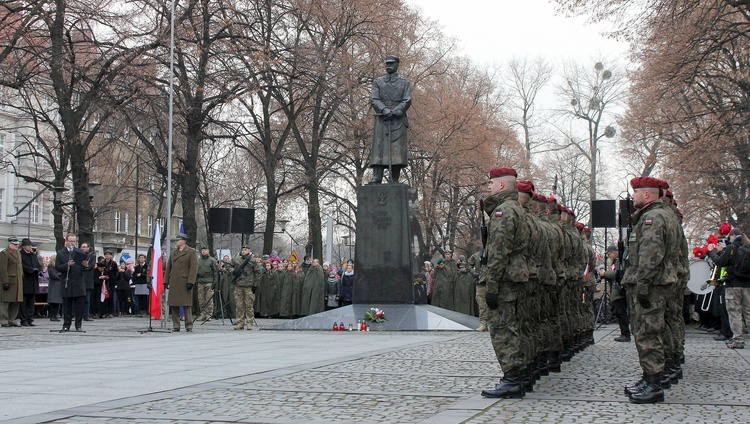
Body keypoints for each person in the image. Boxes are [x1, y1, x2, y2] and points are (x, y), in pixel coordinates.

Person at [622, 176, 681, 404]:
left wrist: (643, 287)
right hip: (657, 285)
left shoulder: (653, 218)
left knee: (647, 334)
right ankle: (649, 378)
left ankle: (654, 384)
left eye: (635, 192)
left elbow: (650, 256)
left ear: (646, 194)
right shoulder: (664, 215)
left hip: (651, 286)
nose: (633, 197)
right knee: (651, 332)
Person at [479, 167, 529, 399]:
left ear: (501, 185)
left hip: (505, 279)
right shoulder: (515, 208)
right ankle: (515, 377)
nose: (488, 187)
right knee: (511, 327)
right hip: (513, 277)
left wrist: (492, 284)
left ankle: (512, 379)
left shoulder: (503, 211)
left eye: (490, 183)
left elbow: (498, 252)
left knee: (502, 329)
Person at [368, 55, 412, 184]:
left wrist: (397, 111)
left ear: (397, 65)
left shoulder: (404, 83)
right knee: (379, 146)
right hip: (382, 118)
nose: (389, 66)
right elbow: (374, 99)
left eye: (391, 64)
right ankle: (377, 176)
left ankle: (394, 178)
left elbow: (407, 99)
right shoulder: (378, 82)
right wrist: (384, 110)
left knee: (397, 148)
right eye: (387, 64)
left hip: (398, 119)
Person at [708, 228, 750, 349]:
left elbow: (720, 262)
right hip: (748, 286)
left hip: (733, 285)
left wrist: (712, 252)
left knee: (734, 313)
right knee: (748, 313)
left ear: (732, 236)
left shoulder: (732, 248)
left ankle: (738, 340)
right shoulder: (748, 247)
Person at [55, 233, 90, 331]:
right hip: (67, 283)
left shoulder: (79, 252)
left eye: (74, 241)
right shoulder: (61, 253)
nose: (72, 243)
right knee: (67, 307)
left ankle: (78, 326)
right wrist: (67, 265)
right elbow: (57, 267)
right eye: (70, 241)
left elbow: (85, 269)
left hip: (78, 283)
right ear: (66, 241)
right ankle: (66, 325)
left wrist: (85, 265)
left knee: (79, 307)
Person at [165, 233, 198, 332]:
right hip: (174, 281)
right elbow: (168, 268)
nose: (176, 242)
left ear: (183, 241)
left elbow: (193, 268)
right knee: (174, 304)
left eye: (177, 240)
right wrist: (166, 281)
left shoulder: (191, 252)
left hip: (185, 281)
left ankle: (189, 325)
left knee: (186, 304)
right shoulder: (173, 253)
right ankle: (176, 325)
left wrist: (191, 281)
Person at [601, 245, 630, 342]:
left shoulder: (620, 261)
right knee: (619, 313)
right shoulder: (616, 261)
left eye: (609, 254)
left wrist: (605, 274)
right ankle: (624, 333)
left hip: (619, 292)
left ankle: (625, 333)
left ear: (614, 252)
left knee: (622, 313)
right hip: (617, 291)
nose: (609, 256)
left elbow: (617, 273)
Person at [227, 245, 261, 330]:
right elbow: (228, 266)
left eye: (245, 250)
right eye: (243, 250)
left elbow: (258, 273)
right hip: (239, 285)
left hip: (249, 286)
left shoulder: (253, 260)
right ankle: (240, 322)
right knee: (239, 305)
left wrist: (255, 285)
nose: (243, 251)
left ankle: (249, 323)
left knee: (249, 305)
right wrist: (234, 271)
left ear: (249, 250)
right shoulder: (236, 259)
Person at [0, 236, 23, 327]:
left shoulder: (18, 253)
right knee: (6, 301)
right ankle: (3, 319)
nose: (16, 246)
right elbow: (3, 269)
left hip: (18, 281)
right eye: (14, 244)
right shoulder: (4, 253)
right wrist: (5, 281)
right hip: (9, 280)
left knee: (16, 301)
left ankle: (12, 319)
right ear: (9, 244)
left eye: (17, 244)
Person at [19, 238, 41, 326]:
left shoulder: (33, 255)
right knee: (24, 302)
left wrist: (38, 270)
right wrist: (30, 269)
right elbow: (21, 266)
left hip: (33, 281)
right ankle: (23, 319)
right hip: (25, 280)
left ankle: (30, 319)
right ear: (24, 246)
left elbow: (38, 264)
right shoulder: (21, 254)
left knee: (31, 302)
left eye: (31, 245)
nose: (30, 247)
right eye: (28, 245)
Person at [196, 247, 217, 321]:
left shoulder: (212, 260)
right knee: (201, 299)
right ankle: (202, 314)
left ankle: (209, 314)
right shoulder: (198, 260)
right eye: (202, 250)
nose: (204, 252)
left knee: (209, 299)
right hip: (200, 281)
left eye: (205, 250)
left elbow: (215, 272)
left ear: (208, 251)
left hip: (209, 281)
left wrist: (215, 282)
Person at [79, 242, 95, 321]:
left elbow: (90, 267)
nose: (83, 248)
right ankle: (75, 315)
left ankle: (86, 315)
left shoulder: (91, 256)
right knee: (77, 299)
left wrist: (86, 266)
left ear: (88, 248)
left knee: (87, 299)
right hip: (79, 279)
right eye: (82, 247)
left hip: (87, 280)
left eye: (85, 247)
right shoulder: (78, 255)